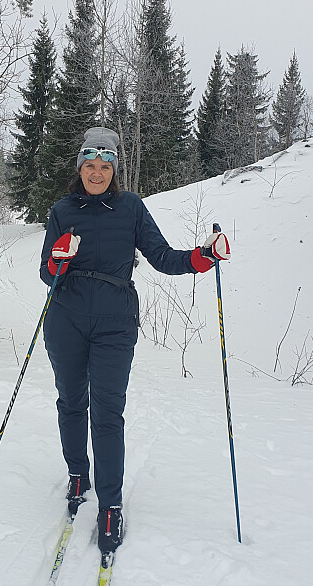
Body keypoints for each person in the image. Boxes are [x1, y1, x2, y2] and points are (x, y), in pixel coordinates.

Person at [40, 126, 229, 558]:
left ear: (114, 170)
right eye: (89, 166)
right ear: (80, 168)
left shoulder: (131, 208)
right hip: (66, 318)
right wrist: (57, 261)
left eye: (104, 166)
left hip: (115, 322)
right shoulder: (62, 211)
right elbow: (46, 275)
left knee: (107, 411)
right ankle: (76, 474)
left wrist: (205, 255)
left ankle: (110, 503)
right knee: (71, 400)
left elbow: (163, 257)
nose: (96, 173)